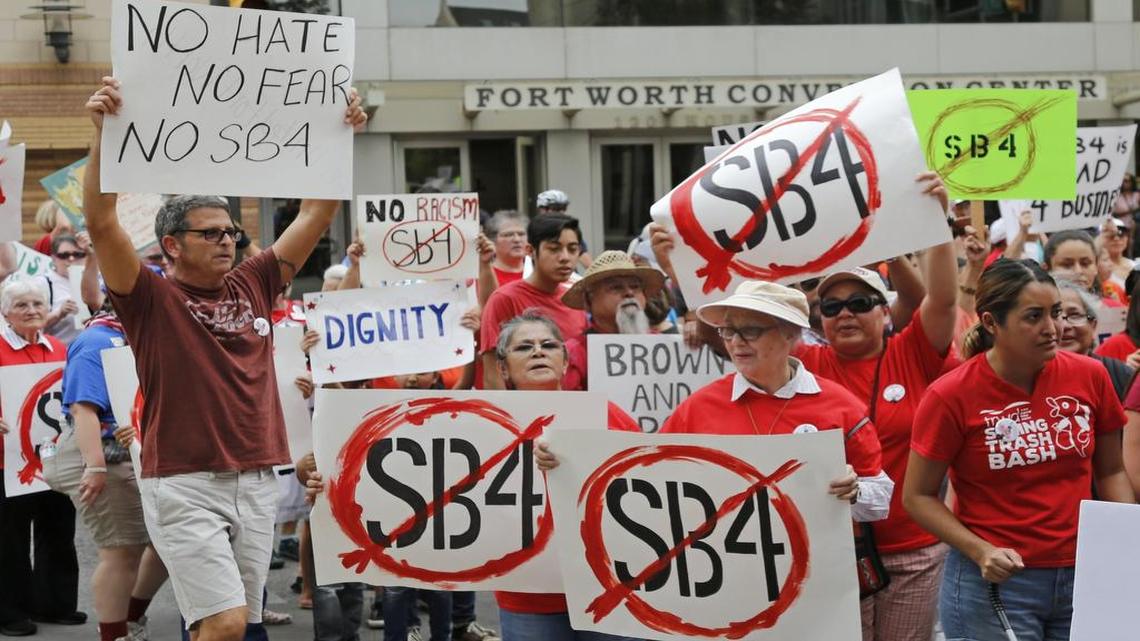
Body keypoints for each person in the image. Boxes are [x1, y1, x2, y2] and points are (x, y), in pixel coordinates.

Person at [82, 76, 367, 640]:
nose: (227, 241)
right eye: (210, 233)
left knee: (241, 623)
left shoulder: (255, 281)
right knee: (226, 623)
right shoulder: (149, 296)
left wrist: (340, 134)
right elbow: (101, 222)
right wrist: (103, 137)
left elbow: (315, 212)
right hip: (185, 483)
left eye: (232, 232)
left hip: (258, 479)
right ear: (171, 245)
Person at [904, 258, 1135, 641]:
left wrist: (1127, 538)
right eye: (1034, 317)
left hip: (1086, 575)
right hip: (995, 585)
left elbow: (1110, 471)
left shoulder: (1090, 376)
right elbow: (917, 497)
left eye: (1057, 313)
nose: (1054, 328)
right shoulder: (950, 395)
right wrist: (980, 551)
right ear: (992, 323)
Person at [793, 173, 957, 641]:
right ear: (816, 319)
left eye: (861, 302)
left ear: (885, 312)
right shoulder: (803, 361)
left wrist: (935, 222)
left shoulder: (911, 352)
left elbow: (942, 298)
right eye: (831, 305)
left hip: (913, 551)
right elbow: (740, 322)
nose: (845, 312)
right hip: (831, 553)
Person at [654, 281, 892, 516]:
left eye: (750, 330)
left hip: (820, 552)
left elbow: (881, 502)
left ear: (789, 333)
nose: (736, 342)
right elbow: (655, 477)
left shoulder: (842, 406)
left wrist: (855, 491)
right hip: (730, 551)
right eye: (728, 330)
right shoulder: (698, 407)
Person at [42, 302, 169, 641]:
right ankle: (116, 633)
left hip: (137, 453)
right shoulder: (97, 340)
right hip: (109, 456)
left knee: (165, 542)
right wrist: (95, 466)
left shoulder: (135, 334)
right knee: (121, 549)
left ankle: (129, 619)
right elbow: (84, 408)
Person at [0, 279, 84, 636]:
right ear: (6, 312)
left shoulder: (60, 347)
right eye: (22, 305)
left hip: (53, 456)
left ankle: (55, 603)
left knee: (58, 530)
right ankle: (9, 612)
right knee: (10, 539)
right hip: (8, 462)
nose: (32, 310)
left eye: (38, 303)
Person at [481, 214, 587, 389]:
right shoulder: (505, 298)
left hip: (573, 409)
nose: (565, 257)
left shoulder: (576, 299)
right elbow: (493, 375)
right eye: (554, 249)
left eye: (573, 249)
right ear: (530, 251)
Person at [560, 250, 665, 391]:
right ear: (589, 300)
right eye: (616, 287)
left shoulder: (662, 344)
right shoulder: (574, 353)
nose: (629, 293)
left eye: (635, 287)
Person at [1054, 278, 1133, 399]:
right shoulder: (1025, 378)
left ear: (1092, 325)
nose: (1064, 326)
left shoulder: (1120, 374)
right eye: (1055, 316)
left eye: (1074, 315)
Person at [1042, 229, 1121, 308]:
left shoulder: (1113, 309)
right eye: (1067, 265)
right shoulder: (1038, 312)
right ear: (1046, 269)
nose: (1078, 271)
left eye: (1085, 264)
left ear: (1096, 267)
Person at [43, 234, 89, 344]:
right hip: (61, 352)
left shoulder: (97, 279)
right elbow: (30, 324)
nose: (71, 259)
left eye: (78, 254)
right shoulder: (43, 283)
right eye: (64, 255)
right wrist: (59, 314)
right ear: (54, 258)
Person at [535, 190, 592, 269]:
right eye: (556, 208)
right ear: (543, 210)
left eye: (563, 208)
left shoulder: (571, 230)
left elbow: (584, 257)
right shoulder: (533, 230)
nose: (561, 212)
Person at [487, 210, 530, 287]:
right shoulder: (484, 275)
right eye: (508, 235)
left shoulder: (539, 274)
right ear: (493, 240)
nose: (517, 239)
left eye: (521, 234)